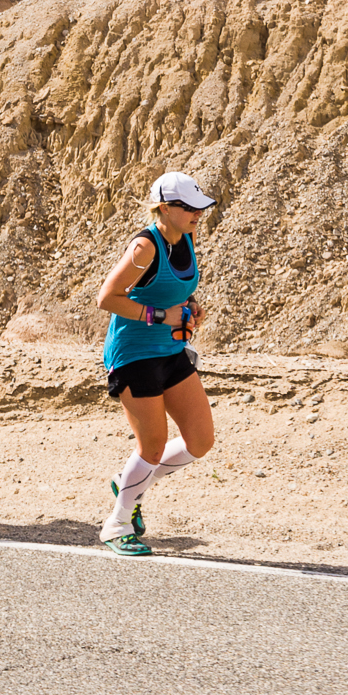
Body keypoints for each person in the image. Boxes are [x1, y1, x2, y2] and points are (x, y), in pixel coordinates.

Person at [95, 170, 217, 556]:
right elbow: (107, 298)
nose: (200, 213)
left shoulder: (188, 236)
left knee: (201, 440)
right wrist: (163, 317)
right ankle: (117, 524)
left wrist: (192, 308)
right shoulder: (144, 247)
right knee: (152, 446)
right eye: (191, 207)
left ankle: (131, 481)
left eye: (201, 207)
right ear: (165, 208)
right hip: (133, 355)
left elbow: (182, 287)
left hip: (169, 352)